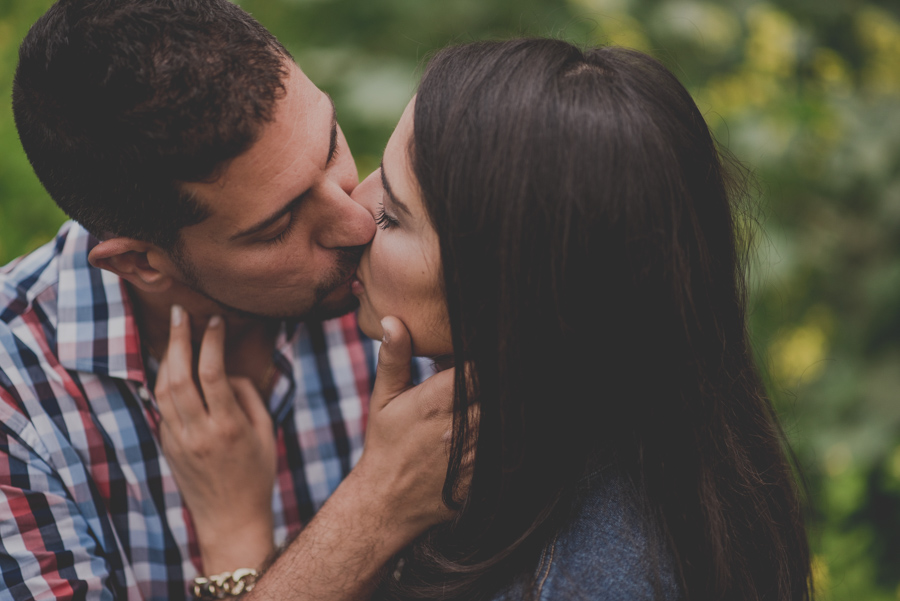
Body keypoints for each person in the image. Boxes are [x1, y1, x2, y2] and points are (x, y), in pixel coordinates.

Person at [164, 39, 814, 600]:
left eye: (394, 216)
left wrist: (238, 549)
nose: (356, 216)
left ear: (507, 287)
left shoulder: (587, 573)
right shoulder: (624, 458)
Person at [0, 1, 454, 600]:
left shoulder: (407, 269)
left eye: (331, 147)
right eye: (276, 227)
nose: (356, 226)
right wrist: (379, 503)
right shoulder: (17, 406)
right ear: (140, 263)